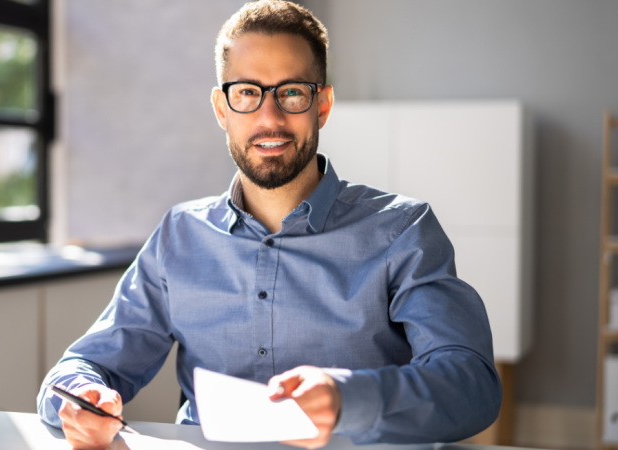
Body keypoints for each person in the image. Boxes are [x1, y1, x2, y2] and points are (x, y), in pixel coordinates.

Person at [37, 1, 502, 449]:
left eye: (292, 92)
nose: (269, 117)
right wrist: (81, 399)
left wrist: (347, 398)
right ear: (222, 109)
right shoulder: (179, 236)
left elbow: (471, 386)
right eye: (247, 93)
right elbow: (83, 366)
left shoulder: (402, 229)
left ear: (322, 105)